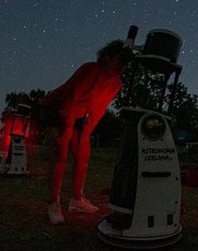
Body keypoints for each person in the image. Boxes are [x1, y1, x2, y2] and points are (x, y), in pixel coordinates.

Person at [40, 40, 133, 224]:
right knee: (60, 152)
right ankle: (54, 204)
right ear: (107, 56)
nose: (122, 65)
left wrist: (86, 133)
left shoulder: (116, 83)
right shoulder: (90, 69)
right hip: (56, 109)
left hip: (78, 116)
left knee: (83, 153)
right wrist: (66, 133)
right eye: (119, 60)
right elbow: (71, 101)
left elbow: (99, 109)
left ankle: (77, 199)